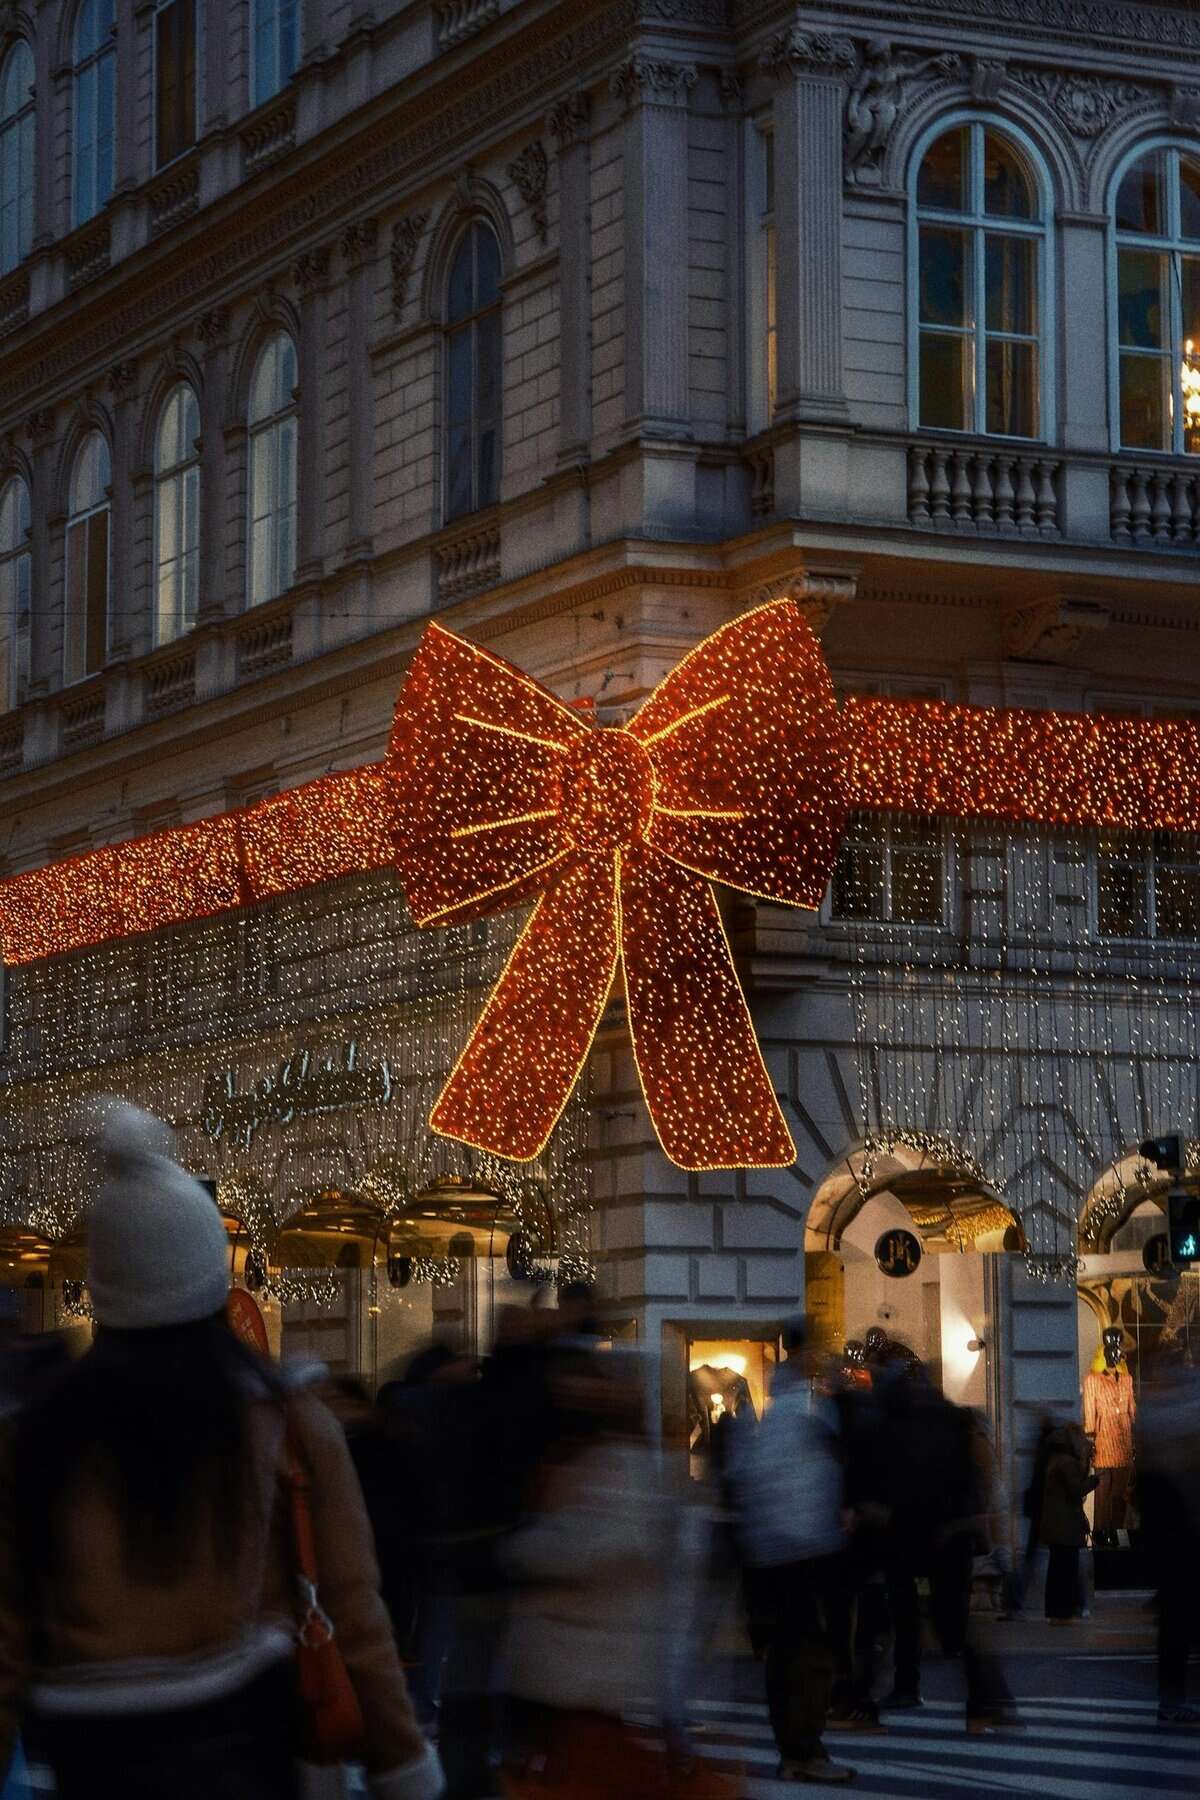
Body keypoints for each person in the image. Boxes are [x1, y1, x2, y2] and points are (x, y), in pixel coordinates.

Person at [0, 1101, 443, 1800]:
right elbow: (356, 1618)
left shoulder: (37, 1435)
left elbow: (7, 1640)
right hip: (243, 1754)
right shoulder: (284, 1421)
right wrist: (402, 1767)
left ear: (108, 1288)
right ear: (208, 1273)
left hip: (91, 1762)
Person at [734, 1317, 856, 1785]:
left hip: (777, 1554)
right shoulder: (805, 1410)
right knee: (808, 1656)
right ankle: (803, 1749)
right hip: (802, 1553)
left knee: (789, 1656)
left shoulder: (779, 1407)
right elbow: (801, 1485)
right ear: (806, 1352)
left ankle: (796, 1748)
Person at [877, 1358, 1013, 1733]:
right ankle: (984, 1700)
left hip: (910, 1532)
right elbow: (972, 1478)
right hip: (949, 1533)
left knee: (907, 1617)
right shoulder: (955, 1419)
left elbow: (894, 1479)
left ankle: (911, 1687)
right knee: (952, 1623)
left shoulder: (899, 1424)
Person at [1135, 1343, 1200, 1725]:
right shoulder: (1180, 1411)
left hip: (1169, 1538)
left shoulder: (1152, 1413)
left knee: (1176, 1620)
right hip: (1182, 1537)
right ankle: (1173, 1697)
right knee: (1180, 1618)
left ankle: (1171, 1696)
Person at [1037, 1424, 1095, 1624]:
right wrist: (1095, 1480)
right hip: (1065, 1528)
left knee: (1057, 1571)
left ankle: (1057, 1613)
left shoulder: (1056, 1460)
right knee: (1065, 1572)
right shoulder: (1067, 1463)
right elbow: (1076, 1490)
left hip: (1057, 1526)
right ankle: (1062, 1613)